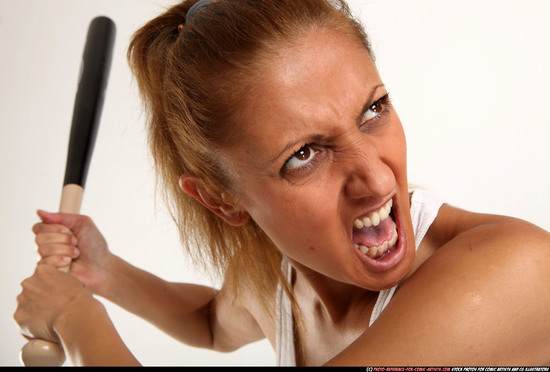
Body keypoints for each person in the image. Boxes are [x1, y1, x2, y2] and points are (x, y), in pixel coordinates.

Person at [14, 0, 550, 366]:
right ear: (220, 199)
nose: (376, 176)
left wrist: (76, 320)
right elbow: (211, 323)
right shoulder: (282, 284)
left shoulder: (512, 271)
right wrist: (105, 272)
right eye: (304, 155)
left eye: (373, 110)